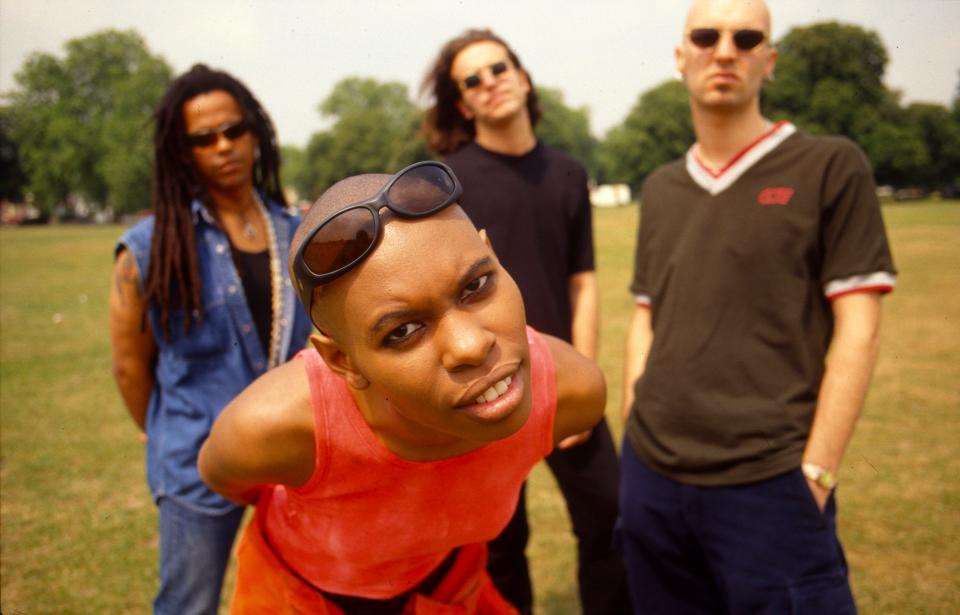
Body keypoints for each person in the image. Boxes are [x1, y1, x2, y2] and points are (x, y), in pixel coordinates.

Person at [196, 162, 608, 614]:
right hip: (300, 598)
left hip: (446, 588)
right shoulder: (275, 430)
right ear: (343, 361)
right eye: (402, 331)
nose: (471, 346)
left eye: (477, 285)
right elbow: (225, 477)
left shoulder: (570, 393)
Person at [619, 1, 897, 612]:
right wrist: (633, 430)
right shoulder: (663, 186)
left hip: (771, 481)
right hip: (652, 479)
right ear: (680, 55)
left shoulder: (830, 164)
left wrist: (818, 473)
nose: (725, 50)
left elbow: (859, 327)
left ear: (768, 62)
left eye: (747, 38)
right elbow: (646, 317)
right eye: (706, 35)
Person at [420, 29, 630, 614]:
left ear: (523, 76)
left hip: (559, 379)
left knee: (610, 516)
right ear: (462, 104)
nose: (491, 83)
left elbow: (582, 280)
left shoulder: (567, 173)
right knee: (498, 540)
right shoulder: (445, 185)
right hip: (484, 383)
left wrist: (580, 376)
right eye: (473, 79)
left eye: (499, 68)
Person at [108, 64, 312, 614]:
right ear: (182, 151)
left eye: (234, 130)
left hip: (292, 459)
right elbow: (130, 368)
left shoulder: (294, 233)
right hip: (197, 463)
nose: (223, 146)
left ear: (256, 134)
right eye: (204, 138)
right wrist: (167, 432)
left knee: (305, 599)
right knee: (189, 604)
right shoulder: (149, 247)